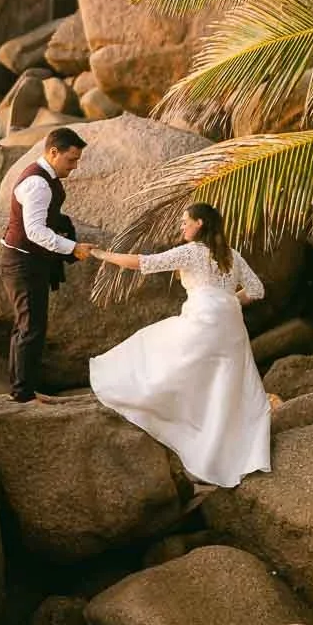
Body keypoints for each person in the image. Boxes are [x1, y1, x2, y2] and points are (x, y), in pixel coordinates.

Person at [87, 202, 270, 488]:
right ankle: (225, 456)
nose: (182, 226)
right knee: (223, 388)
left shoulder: (192, 252)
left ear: (199, 224)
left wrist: (101, 254)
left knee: (152, 347)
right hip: (231, 326)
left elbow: (144, 263)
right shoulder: (232, 256)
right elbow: (257, 290)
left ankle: (177, 429)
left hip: (204, 320)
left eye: (186, 221)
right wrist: (228, 300)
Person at [0, 127, 94, 403]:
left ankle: (21, 388)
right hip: (21, 262)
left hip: (27, 260)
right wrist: (72, 248)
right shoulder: (37, 184)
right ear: (53, 152)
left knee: (27, 325)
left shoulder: (45, 178)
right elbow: (35, 232)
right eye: (71, 160)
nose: (74, 167)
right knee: (30, 327)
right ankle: (22, 393)